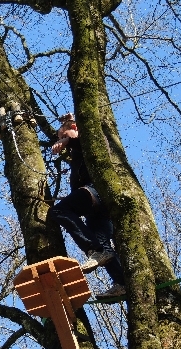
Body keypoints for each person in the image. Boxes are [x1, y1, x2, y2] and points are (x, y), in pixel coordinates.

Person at [48, 113, 126, 299]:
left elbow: (88, 136)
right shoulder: (77, 151)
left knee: (58, 210)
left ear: (75, 128)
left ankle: (93, 250)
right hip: (96, 205)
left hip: (97, 190)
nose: (62, 140)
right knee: (103, 243)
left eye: (63, 135)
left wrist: (68, 139)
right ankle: (122, 283)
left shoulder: (91, 138)